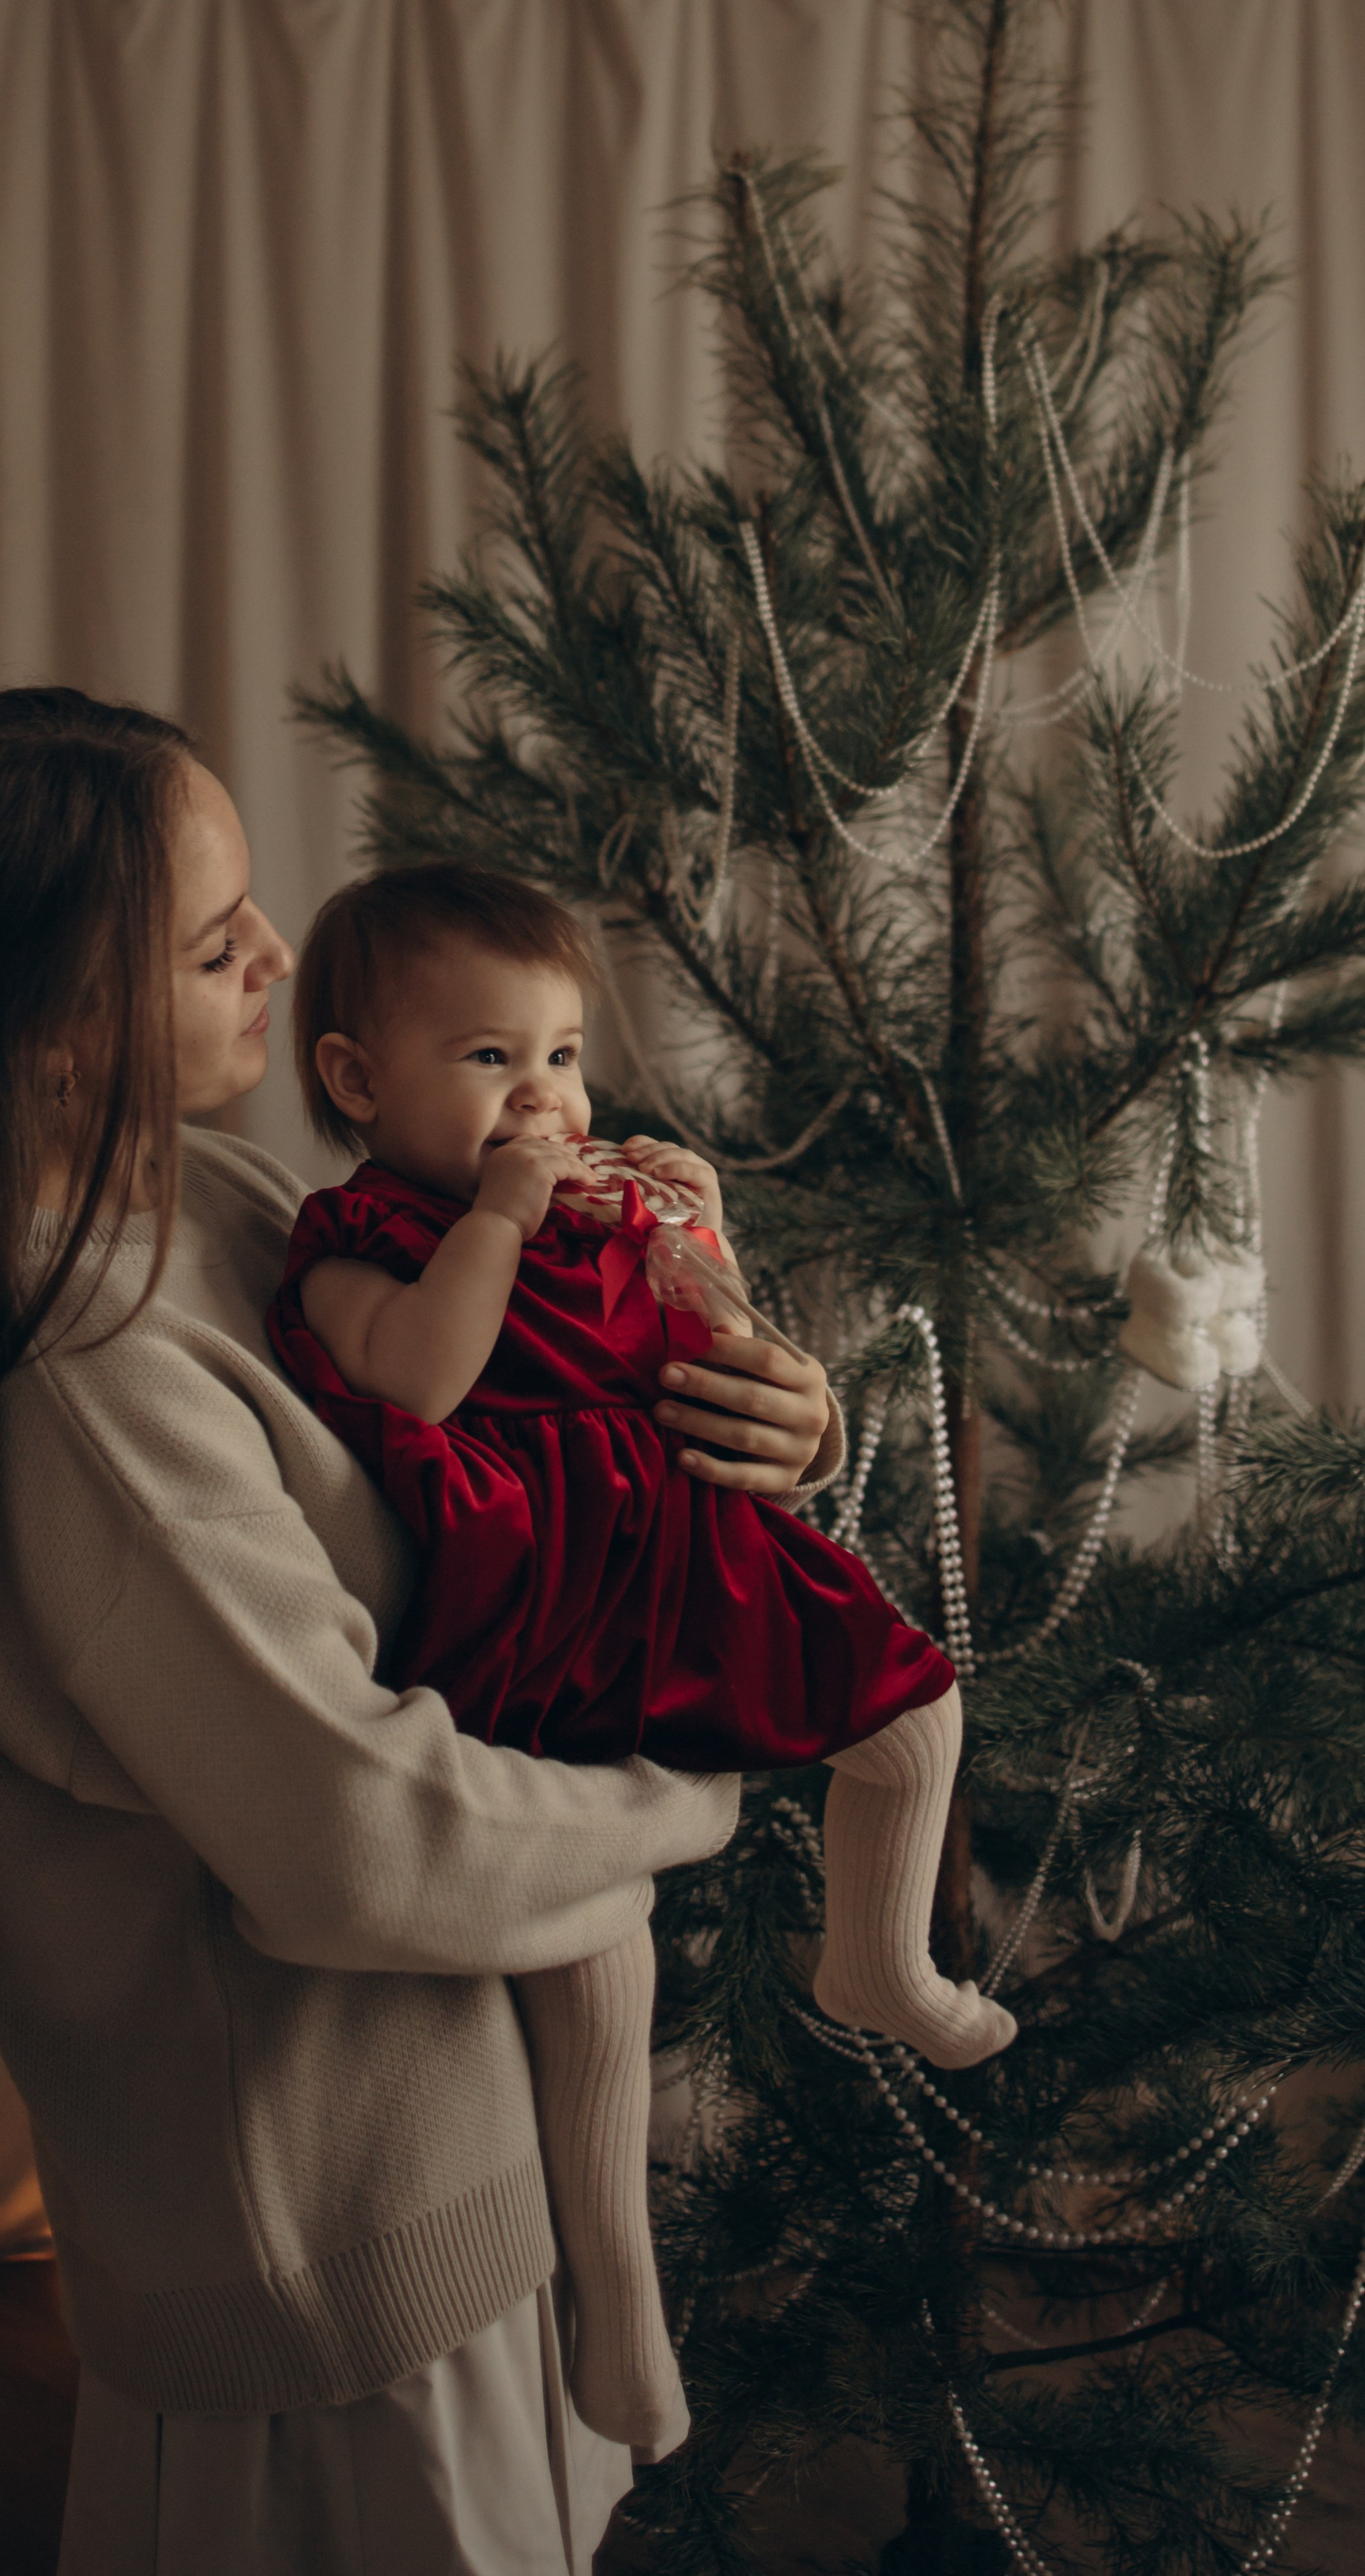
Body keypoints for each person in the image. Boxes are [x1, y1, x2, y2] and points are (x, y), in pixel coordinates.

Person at [0, 688, 839, 2576]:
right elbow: (357, 1836)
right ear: (57, 1025)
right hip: (339, 2273)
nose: (281, 959)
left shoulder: (199, 1194)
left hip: (435, 2192)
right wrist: (704, 1776)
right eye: (218, 943)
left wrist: (758, 1409)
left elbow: (497, 1437)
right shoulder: (83, 1378)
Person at [266, 864, 1017, 2455]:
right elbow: (419, 1382)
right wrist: (500, 1215)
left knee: (911, 1710)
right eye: (488, 1060)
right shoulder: (358, 1237)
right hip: (536, 1592)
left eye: (559, 1057)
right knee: (595, 1945)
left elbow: (716, 1351)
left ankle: (873, 1956)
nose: (541, 1098)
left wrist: (704, 1235)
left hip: (683, 1541)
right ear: (353, 1079)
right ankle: (617, 2304)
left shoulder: (586, 1202)